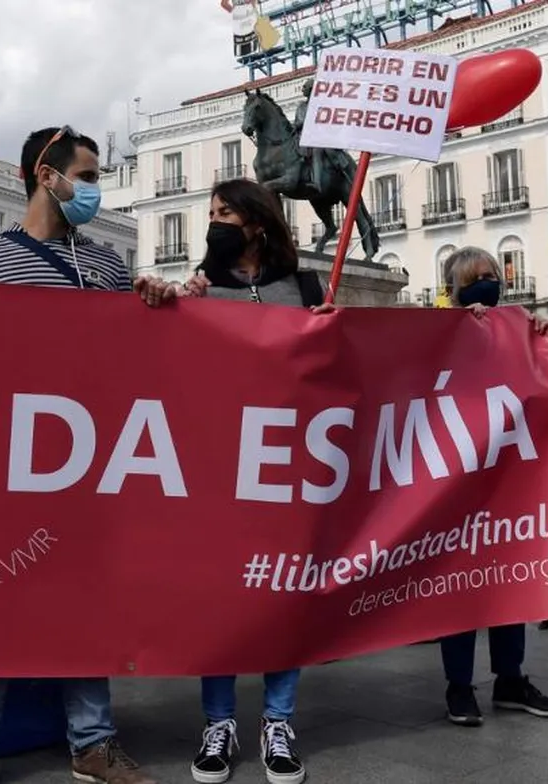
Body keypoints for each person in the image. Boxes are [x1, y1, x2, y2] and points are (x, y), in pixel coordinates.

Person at [0, 125, 178, 784]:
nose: (94, 189)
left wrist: (159, 309)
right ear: (44, 175)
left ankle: (93, 740)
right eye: (85, 176)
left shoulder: (109, 267)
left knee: (87, 599)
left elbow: (135, 362)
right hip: (7, 463)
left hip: (86, 466)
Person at [179, 178, 330, 784]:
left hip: (288, 467)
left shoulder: (307, 286)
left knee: (282, 592)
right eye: (211, 212)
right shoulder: (200, 286)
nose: (215, 221)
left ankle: (278, 720)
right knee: (220, 599)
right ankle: (218, 723)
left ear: (258, 222)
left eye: (226, 212)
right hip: (218, 467)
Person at [438, 245, 548, 728]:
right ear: (455, 290)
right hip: (453, 488)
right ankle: (459, 686)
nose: (488, 283)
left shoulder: (518, 330)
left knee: (509, 582)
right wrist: (461, 332)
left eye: (493, 274)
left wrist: (540, 341)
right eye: (476, 278)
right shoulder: (440, 333)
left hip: (508, 483)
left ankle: (511, 680)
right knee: (455, 589)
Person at [292, 79, 324, 199]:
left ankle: (317, 182)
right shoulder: (301, 106)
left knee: (316, 152)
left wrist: (303, 124)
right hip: (300, 136)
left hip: (316, 137)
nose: (303, 89)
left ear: (311, 89)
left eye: (305, 87)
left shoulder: (319, 105)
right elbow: (297, 121)